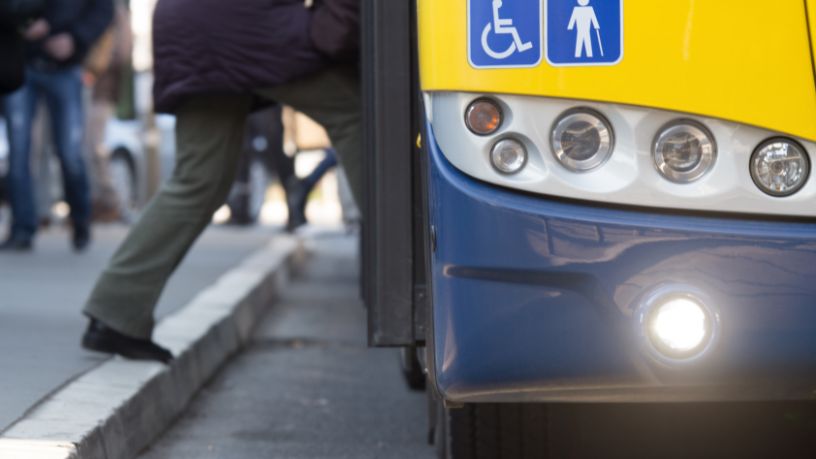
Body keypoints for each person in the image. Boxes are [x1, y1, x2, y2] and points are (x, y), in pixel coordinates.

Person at [80, 0, 362, 363]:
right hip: (243, 25)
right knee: (358, 112)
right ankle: (400, 248)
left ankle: (114, 313)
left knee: (199, 180)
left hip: (192, 25)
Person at [0, 0, 114, 251]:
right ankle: (22, 229)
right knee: (18, 152)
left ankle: (80, 221)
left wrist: (75, 37)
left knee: (69, 152)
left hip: (65, 66)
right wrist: (21, 24)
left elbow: (103, 9)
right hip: (21, 61)